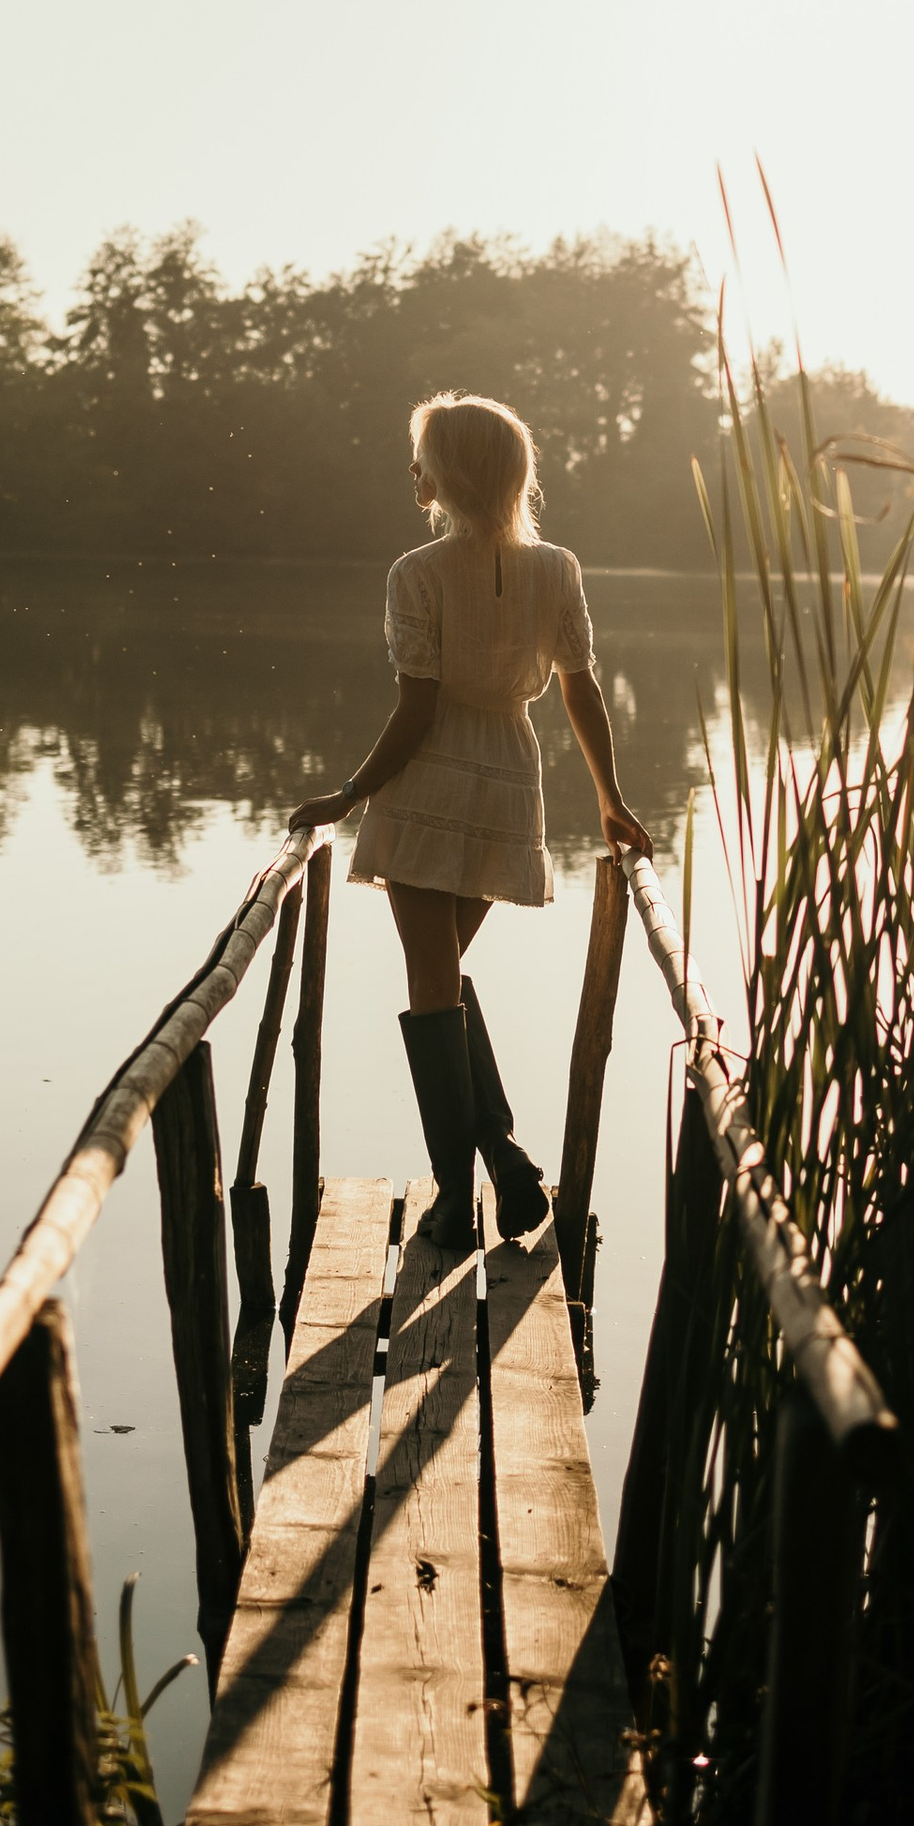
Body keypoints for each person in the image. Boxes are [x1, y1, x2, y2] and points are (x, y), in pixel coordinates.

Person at [288, 391, 651, 1253]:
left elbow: (418, 710)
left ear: (447, 475)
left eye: (421, 457)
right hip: (509, 782)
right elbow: (580, 690)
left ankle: (458, 1196)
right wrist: (609, 796)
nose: (411, 470)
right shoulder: (556, 568)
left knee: (431, 979)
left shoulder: (416, 573)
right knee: (441, 974)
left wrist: (347, 795)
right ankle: (504, 1156)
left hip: (429, 783)